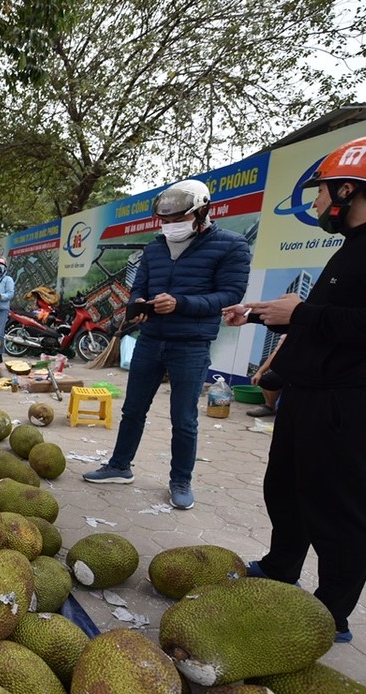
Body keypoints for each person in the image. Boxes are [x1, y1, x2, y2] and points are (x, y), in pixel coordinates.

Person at [222, 133, 366, 643]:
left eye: (321, 192)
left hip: (350, 401)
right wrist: (264, 314)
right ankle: (280, 569)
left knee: (338, 508)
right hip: (310, 394)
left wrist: (304, 314)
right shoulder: (357, 246)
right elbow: (328, 322)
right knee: (287, 489)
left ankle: (330, 614)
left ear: (348, 190)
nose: (316, 201)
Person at [83, 178, 251, 510]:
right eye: (166, 221)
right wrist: (139, 305)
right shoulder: (155, 248)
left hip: (191, 343)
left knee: (184, 417)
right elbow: (138, 287)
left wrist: (181, 303)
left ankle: (180, 480)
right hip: (151, 339)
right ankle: (119, 465)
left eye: (179, 220)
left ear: (202, 213)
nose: (171, 227)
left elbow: (230, 295)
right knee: (133, 409)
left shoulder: (231, 246)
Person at [246, 336, 285, 418]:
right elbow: (275, 353)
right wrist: (259, 372)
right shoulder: (287, 335)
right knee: (264, 369)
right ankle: (270, 406)